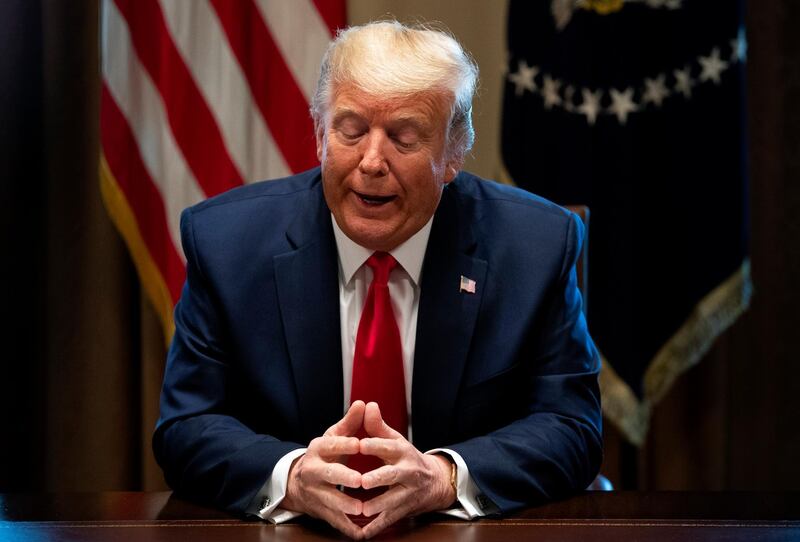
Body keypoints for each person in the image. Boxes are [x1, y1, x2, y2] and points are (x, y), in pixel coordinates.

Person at [154, 20, 602, 540]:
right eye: (350, 130)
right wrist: (293, 477)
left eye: (404, 138)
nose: (371, 161)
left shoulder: (537, 246)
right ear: (321, 134)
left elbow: (572, 427)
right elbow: (186, 426)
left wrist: (444, 477)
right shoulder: (225, 242)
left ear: (454, 152)